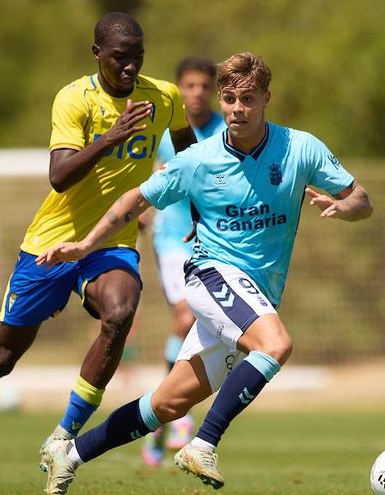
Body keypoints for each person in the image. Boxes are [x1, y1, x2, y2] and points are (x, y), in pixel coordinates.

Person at [35, 52, 373, 494]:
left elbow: (362, 199)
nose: (237, 109)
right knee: (276, 345)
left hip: (257, 293)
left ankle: (69, 455)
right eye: (229, 99)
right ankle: (204, 444)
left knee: (167, 403)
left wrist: (343, 207)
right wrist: (84, 244)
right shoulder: (199, 159)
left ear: (267, 98)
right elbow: (134, 201)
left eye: (248, 99)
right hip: (210, 275)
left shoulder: (300, 148)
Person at [0, 12, 196, 495]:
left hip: (110, 242)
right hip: (50, 245)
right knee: (0, 358)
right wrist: (111, 138)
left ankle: (62, 439)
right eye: (120, 57)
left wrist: (199, 208)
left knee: (121, 310)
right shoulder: (74, 98)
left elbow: (188, 152)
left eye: (137, 57)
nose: (130, 67)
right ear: (97, 54)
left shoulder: (162, 97)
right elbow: (59, 175)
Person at [141, 55, 228, 467]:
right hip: (172, 237)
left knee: (202, 325)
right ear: (179, 88)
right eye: (189, 86)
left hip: (212, 237)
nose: (196, 93)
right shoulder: (168, 130)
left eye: (203, 86)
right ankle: (179, 415)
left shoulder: (225, 129)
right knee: (182, 317)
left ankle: (161, 414)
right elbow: (150, 180)